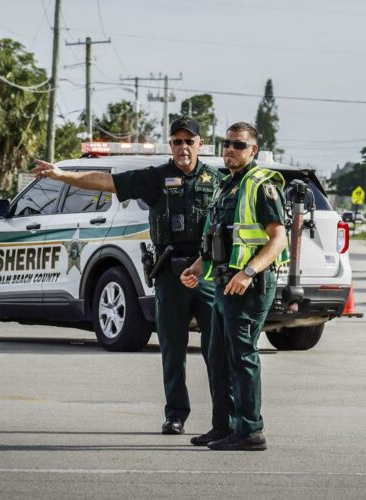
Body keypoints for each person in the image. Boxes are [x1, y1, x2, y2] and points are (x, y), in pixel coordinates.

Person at [31, 117, 228, 442]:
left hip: (205, 271)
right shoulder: (156, 178)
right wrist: (62, 174)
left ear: (201, 145)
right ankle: (176, 415)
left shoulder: (217, 180)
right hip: (170, 272)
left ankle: (223, 420)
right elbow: (107, 182)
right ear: (171, 145)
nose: (183, 147)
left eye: (189, 141)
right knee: (172, 348)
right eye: (177, 141)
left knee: (216, 350)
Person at [180, 122, 289, 451]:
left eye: (238, 145)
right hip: (224, 282)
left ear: (252, 150)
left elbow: (278, 238)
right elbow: (219, 239)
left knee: (242, 357)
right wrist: (197, 269)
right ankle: (224, 427)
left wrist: (249, 272)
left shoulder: (261, 184)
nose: (230, 149)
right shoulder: (226, 185)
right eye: (226, 143)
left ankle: (250, 430)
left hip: (249, 285)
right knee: (218, 356)